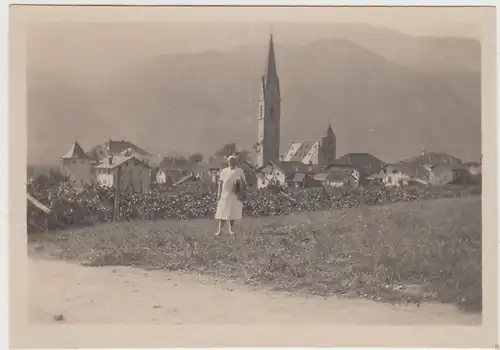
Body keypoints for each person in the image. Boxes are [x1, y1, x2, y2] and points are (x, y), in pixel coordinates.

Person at [214, 154, 246, 236]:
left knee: (232, 213)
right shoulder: (224, 171)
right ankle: (220, 230)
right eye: (230, 161)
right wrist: (219, 193)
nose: (231, 162)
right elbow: (220, 183)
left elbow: (243, 182)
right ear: (228, 162)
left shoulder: (239, 170)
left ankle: (231, 230)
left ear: (235, 162)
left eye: (233, 161)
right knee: (222, 212)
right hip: (225, 194)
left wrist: (242, 192)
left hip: (235, 194)